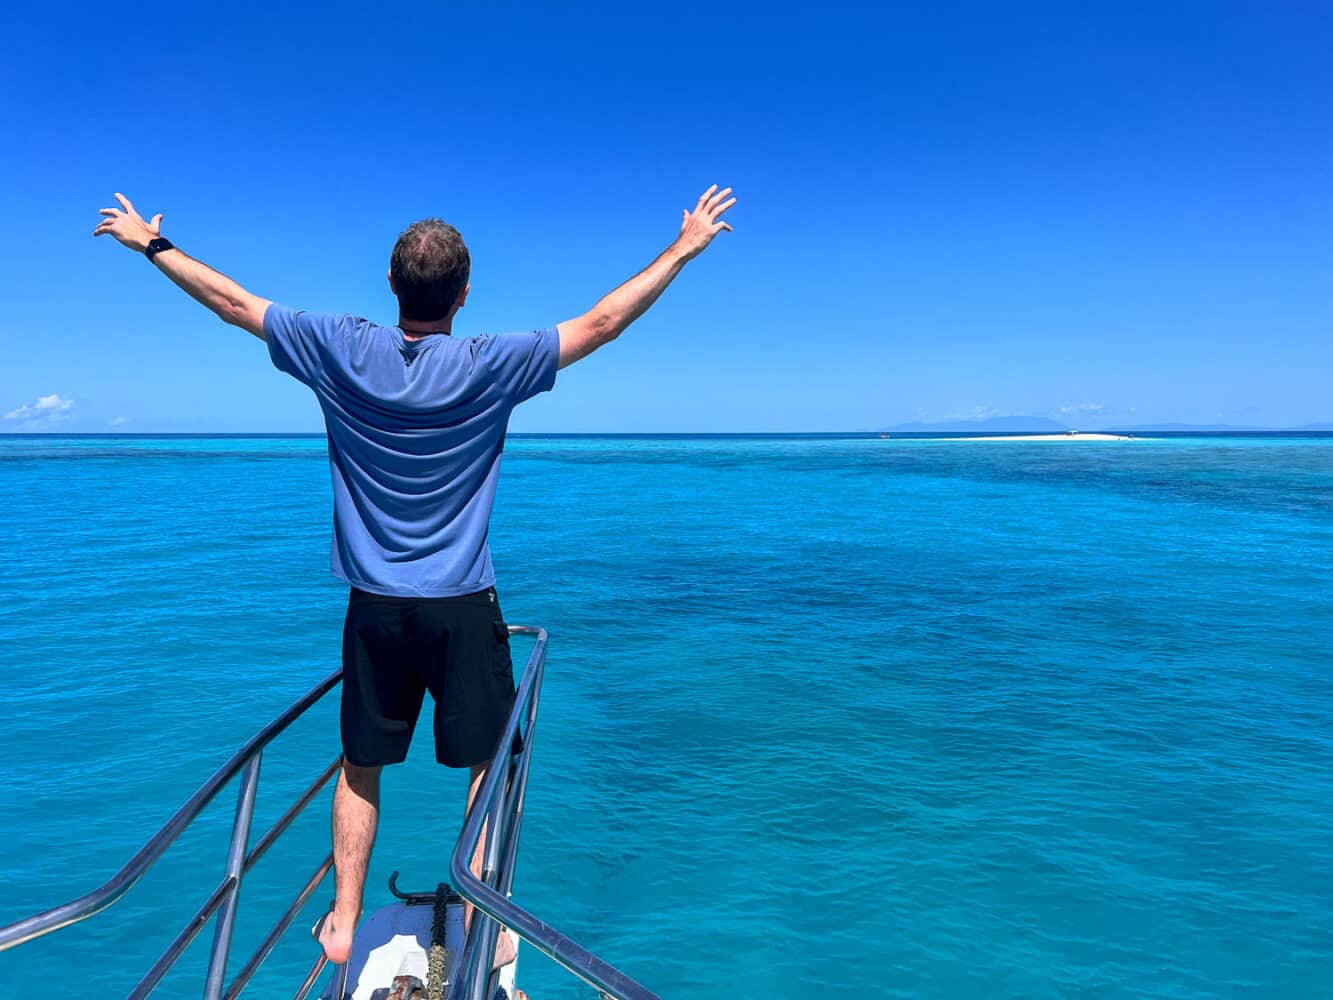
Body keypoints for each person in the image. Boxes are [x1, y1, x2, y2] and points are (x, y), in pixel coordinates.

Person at [92, 184, 736, 969]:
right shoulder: (491, 363)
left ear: (392, 287)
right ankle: (485, 918)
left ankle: (343, 918)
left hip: (375, 608)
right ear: (464, 294)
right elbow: (601, 324)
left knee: (360, 766)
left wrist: (151, 245)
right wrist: (681, 248)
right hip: (463, 604)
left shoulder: (335, 345)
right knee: (485, 764)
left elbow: (231, 303)